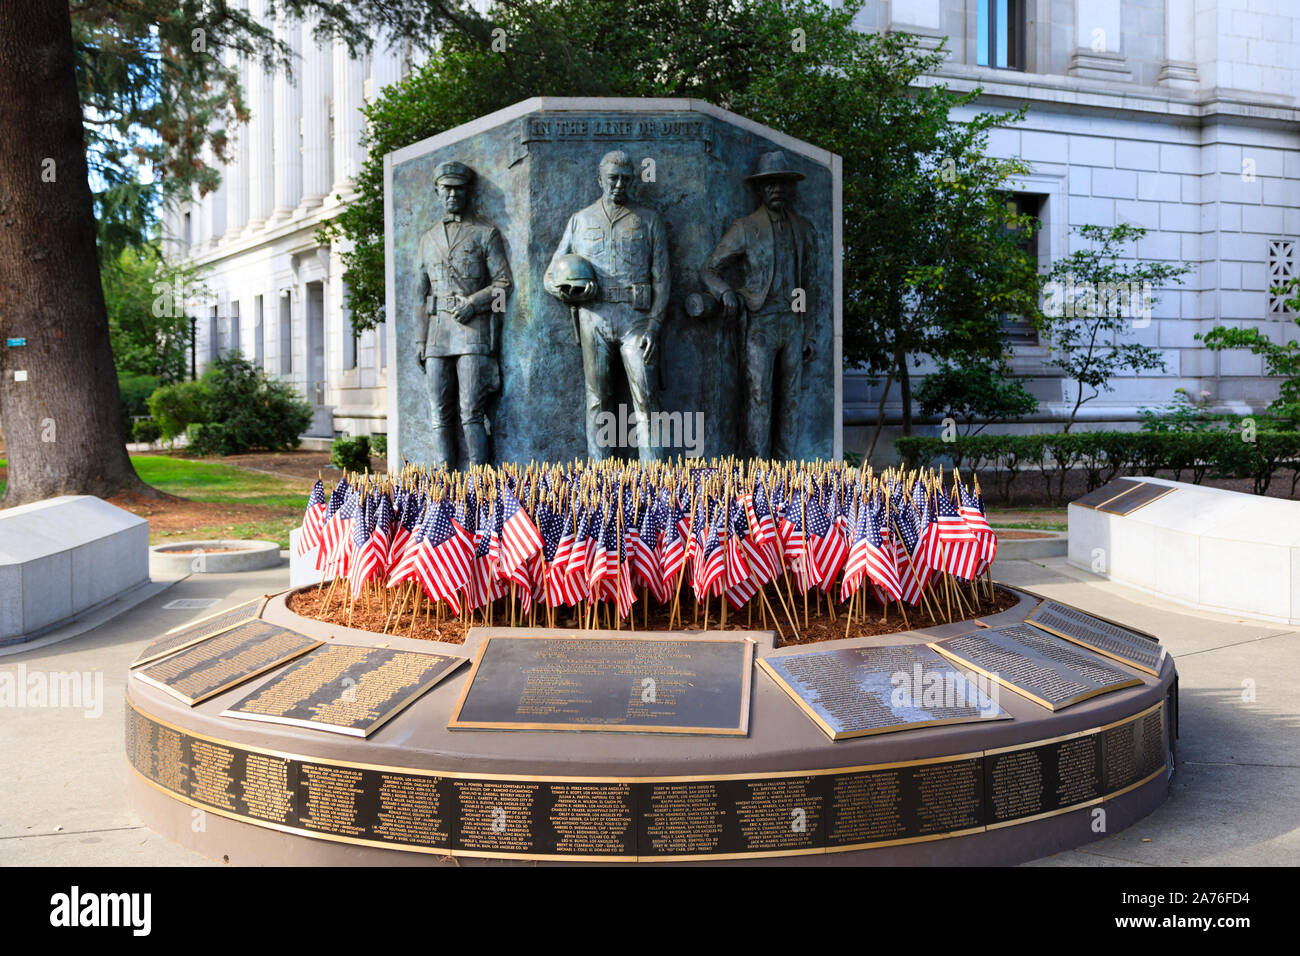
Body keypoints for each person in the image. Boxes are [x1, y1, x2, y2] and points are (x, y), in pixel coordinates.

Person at [544, 150, 670, 460]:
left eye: (626, 179)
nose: (619, 185)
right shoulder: (580, 220)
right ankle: (601, 482)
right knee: (597, 400)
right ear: (599, 179)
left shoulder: (650, 220)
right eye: (612, 178)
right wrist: (568, 293)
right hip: (594, 317)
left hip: (636, 320)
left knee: (646, 398)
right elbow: (549, 276)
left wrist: (654, 326)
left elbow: (664, 280)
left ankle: (654, 483)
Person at [700, 150, 818, 460]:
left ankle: (784, 473)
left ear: (790, 188)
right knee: (759, 398)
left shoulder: (804, 229)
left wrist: (809, 333)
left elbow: (810, 285)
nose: (776, 190)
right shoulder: (744, 227)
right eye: (770, 185)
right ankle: (756, 473)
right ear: (760, 189)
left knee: (790, 401)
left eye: (781, 184)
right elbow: (709, 268)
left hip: (793, 323)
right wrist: (725, 291)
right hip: (759, 323)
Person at [414, 160, 512, 467]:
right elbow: (420, 294)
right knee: (438, 413)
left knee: (470, 411)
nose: (453, 195)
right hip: (437, 336)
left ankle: (479, 482)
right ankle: (446, 480)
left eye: (458, 189)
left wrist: (473, 303)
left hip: (473, 333)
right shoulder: (427, 238)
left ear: (467, 192)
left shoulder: (485, 233)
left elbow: (504, 285)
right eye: (447, 189)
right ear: (437, 192)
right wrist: (420, 341)